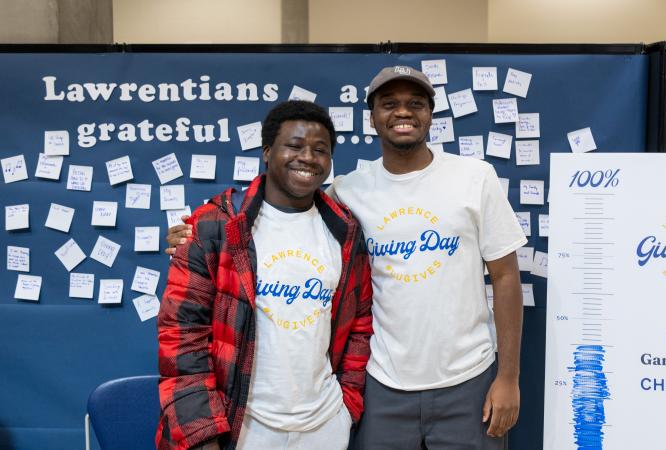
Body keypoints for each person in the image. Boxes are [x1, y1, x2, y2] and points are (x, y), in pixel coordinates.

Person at [167, 66, 525, 449]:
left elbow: (505, 277)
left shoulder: (475, 177)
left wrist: (508, 378)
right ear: (372, 118)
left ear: (430, 114)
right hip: (383, 385)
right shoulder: (345, 194)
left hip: (468, 379)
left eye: (415, 104)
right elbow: (266, 211)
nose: (403, 112)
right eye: (389, 104)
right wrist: (190, 232)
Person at [157, 100, 373, 450]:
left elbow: (361, 323)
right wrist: (202, 433)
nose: (308, 157)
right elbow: (181, 336)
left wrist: (347, 404)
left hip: (325, 424)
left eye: (321, 150)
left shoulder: (345, 232)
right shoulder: (218, 226)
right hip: (242, 424)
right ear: (267, 152)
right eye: (294, 145)